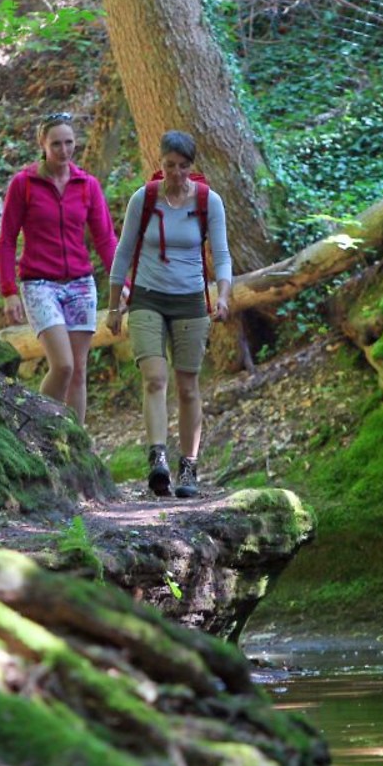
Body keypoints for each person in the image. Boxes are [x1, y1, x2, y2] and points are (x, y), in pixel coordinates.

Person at [105, 131, 231, 498]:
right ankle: (157, 458)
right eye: (169, 166)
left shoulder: (209, 202)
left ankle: (189, 467)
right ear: (160, 163)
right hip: (147, 297)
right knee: (155, 378)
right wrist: (115, 307)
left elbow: (221, 255)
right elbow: (123, 252)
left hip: (191, 300)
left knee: (188, 386)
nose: (175, 174)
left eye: (182, 167)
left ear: (192, 167)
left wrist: (222, 295)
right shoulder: (143, 199)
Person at [0, 113, 118, 427]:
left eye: (69, 143)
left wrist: (123, 282)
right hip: (39, 284)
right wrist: (9, 291)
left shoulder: (87, 185)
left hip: (80, 284)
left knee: (78, 371)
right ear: (42, 144)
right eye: (56, 144)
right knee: (62, 366)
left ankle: (75, 443)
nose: (64, 150)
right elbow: (7, 239)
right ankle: (38, 428)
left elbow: (105, 238)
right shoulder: (24, 184)